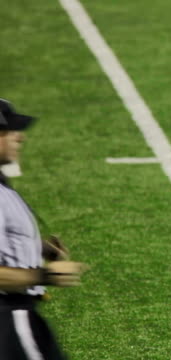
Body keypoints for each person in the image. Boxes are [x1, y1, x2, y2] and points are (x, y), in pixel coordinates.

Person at [0, 98, 88, 360]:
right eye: (10, 130)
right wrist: (42, 276)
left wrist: (36, 248)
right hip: (8, 318)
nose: (20, 138)